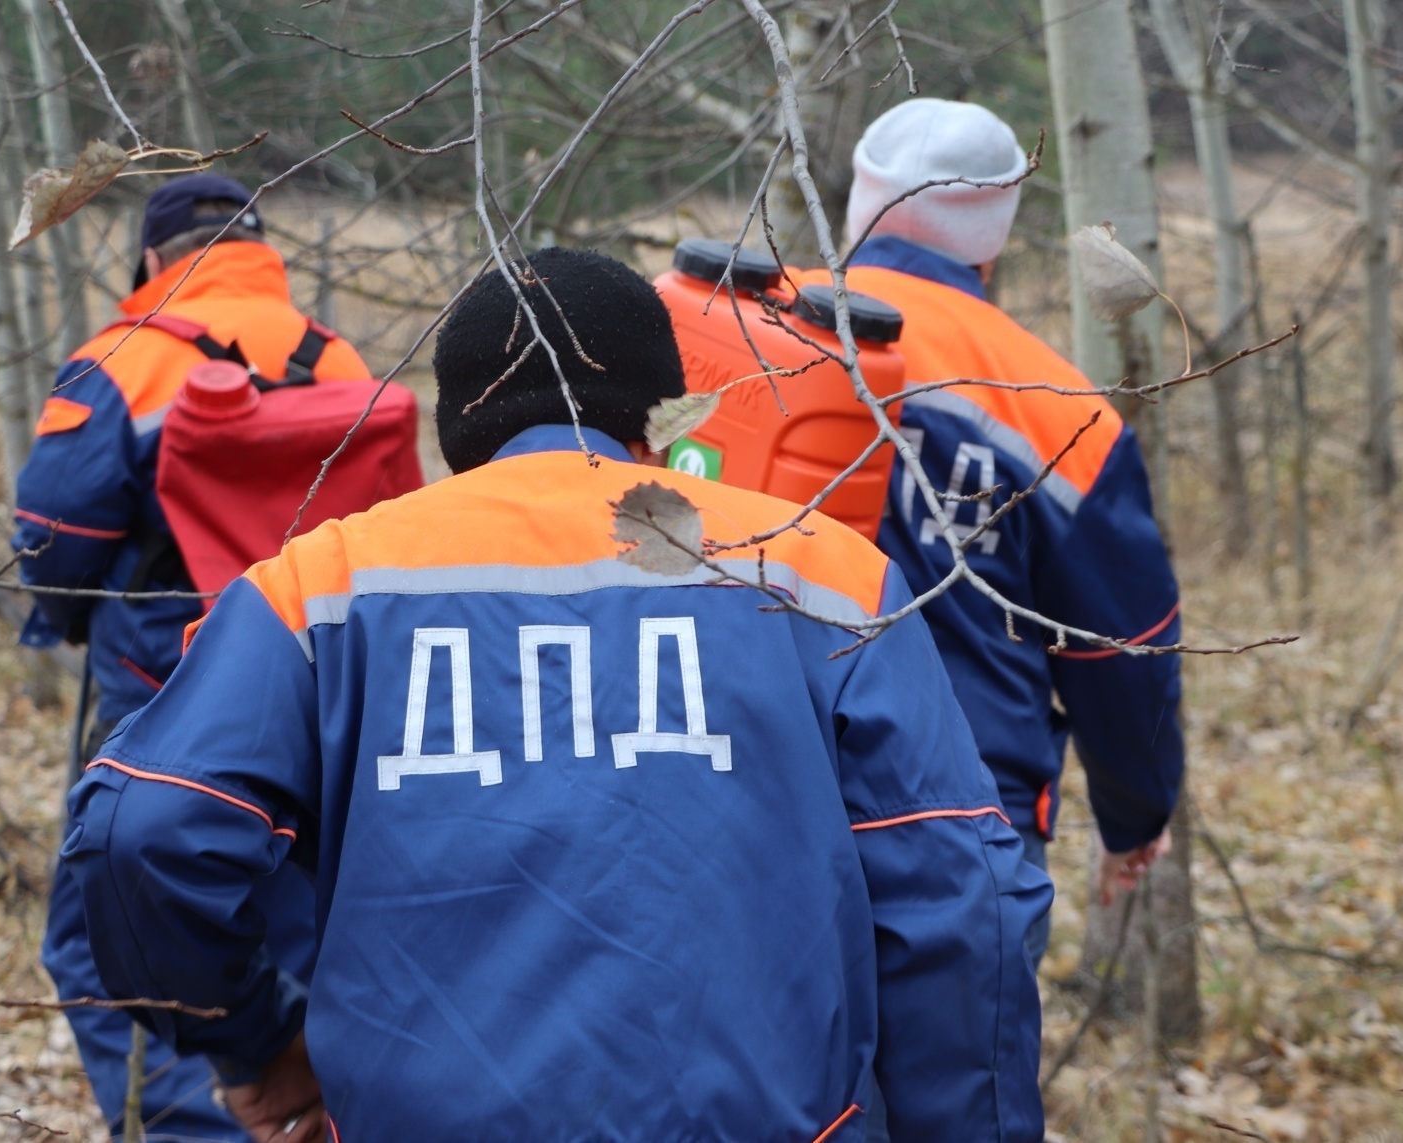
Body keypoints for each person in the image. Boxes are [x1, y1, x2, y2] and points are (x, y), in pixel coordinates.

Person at [59, 248, 1051, 1142]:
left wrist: (258, 1040)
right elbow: (961, 897)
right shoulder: (825, 574)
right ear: (663, 417)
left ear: (457, 430)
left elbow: (142, 832)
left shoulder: (320, 584)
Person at [14, 174, 370, 1141]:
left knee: (111, 939)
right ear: (261, 251)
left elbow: (51, 539)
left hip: (158, 697)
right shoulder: (340, 358)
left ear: (153, 263)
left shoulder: (123, 360)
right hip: (322, 698)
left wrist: (71, 620)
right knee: (304, 930)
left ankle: (200, 1126)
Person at [823, 98, 1186, 969]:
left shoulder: (740, 336)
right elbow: (1123, 644)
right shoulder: (1057, 407)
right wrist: (1136, 815)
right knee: (957, 1097)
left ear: (857, 197)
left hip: (740, 790)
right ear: (995, 230)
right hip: (962, 818)